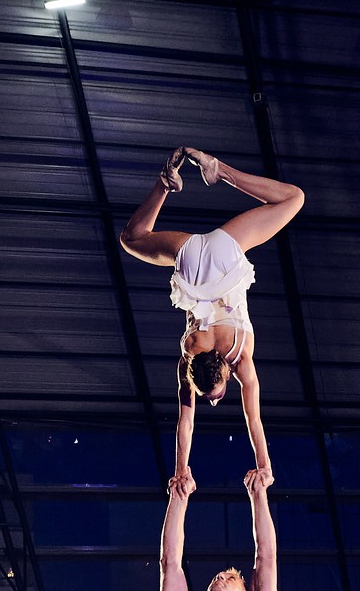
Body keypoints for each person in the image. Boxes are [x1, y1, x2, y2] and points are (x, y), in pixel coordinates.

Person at [120, 146, 304, 485]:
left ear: (223, 374)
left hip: (224, 258)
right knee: (131, 239)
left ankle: (219, 171)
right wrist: (179, 470)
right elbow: (185, 422)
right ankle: (167, 181)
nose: (216, 402)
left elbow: (253, 419)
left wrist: (266, 466)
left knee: (293, 199)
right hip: (193, 261)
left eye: (214, 397)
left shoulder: (240, 357)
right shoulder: (187, 357)